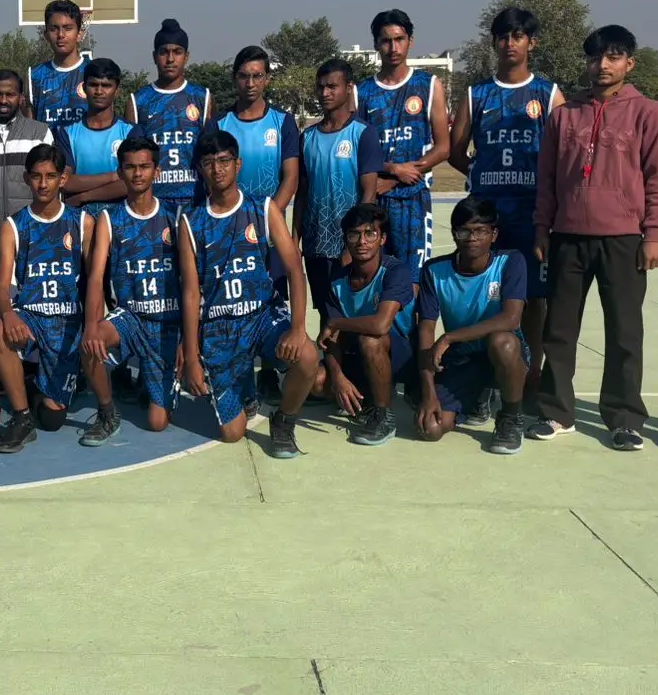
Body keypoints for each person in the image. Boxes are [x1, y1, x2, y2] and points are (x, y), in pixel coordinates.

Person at [531, 24, 658, 450]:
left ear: (630, 63)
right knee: (559, 330)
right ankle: (557, 412)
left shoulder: (649, 113)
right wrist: (542, 229)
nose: (602, 66)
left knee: (625, 332)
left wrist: (654, 232)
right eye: (595, 58)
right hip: (568, 236)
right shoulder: (564, 115)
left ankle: (624, 418)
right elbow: (547, 179)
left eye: (613, 57)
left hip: (624, 238)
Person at [179, 129, 319, 458]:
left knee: (308, 356)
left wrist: (298, 328)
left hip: (262, 316)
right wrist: (191, 357)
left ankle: (284, 420)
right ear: (200, 169)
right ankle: (244, 387)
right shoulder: (191, 222)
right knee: (232, 433)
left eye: (224, 161)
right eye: (209, 163)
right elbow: (190, 293)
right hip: (219, 327)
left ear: (238, 164)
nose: (217, 169)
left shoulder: (263, 208)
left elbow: (294, 270)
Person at [450, 6, 561, 394]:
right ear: (494, 42)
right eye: (503, 36)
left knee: (533, 297)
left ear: (532, 42)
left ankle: (531, 374)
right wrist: (481, 174)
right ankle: (486, 375)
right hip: (488, 214)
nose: (509, 43)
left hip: (532, 213)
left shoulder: (548, 94)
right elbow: (456, 150)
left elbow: (563, 153)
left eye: (517, 36)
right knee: (487, 293)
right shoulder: (477, 93)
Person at [79, 134, 182, 445]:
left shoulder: (176, 216)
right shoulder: (109, 218)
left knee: (157, 422)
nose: (138, 173)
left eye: (145, 166)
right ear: (120, 172)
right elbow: (95, 277)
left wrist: (187, 340)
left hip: (167, 324)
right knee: (91, 342)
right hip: (131, 317)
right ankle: (107, 412)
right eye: (130, 167)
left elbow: (192, 282)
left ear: (157, 171)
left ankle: (157, 382)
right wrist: (91, 326)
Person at [0, 143, 91, 453]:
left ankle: (41, 384)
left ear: (63, 178)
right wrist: (8, 314)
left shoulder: (82, 222)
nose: (43, 184)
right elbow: (2, 287)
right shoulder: (13, 225)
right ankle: (21, 416)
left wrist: (92, 324)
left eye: (50, 176)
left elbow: (95, 282)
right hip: (31, 318)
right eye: (36, 176)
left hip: (68, 324)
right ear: (26, 178)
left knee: (52, 419)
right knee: (0, 328)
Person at [414, 198, 528, 454]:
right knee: (430, 428)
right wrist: (428, 392)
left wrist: (449, 338)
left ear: (494, 234)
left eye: (480, 231)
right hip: (462, 358)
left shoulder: (510, 262)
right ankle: (477, 395)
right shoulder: (434, 270)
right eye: (464, 231)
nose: (472, 238)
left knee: (502, 342)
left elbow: (511, 318)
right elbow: (426, 329)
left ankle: (511, 417)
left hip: (505, 354)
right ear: (454, 234)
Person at [356, 9, 449, 270]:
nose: (393, 48)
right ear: (376, 44)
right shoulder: (362, 92)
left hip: (414, 199)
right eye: (386, 41)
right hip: (375, 197)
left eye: (399, 39)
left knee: (414, 279)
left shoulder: (428, 85)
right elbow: (357, 149)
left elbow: (443, 147)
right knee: (373, 276)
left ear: (410, 41)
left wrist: (400, 177)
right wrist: (392, 169)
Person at [318, 203, 415, 448]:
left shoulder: (395, 271)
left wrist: (335, 322)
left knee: (371, 340)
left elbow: (380, 325)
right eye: (354, 234)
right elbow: (331, 339)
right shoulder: (337, 280)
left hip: (397, 355)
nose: (362, 241)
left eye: (370, 234)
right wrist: (338, 377)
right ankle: (363, 397)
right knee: (317, 380)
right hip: (357, 354)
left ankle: (384, 416)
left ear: (382, 239)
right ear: (346, 239)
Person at [295, 58, 384, 309]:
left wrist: (352, 244)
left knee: (353, 314)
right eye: (321, 87)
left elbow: (369, 195)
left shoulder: (363, 133)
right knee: (326, 314)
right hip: (315, 246)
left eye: (332, 86)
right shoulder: (307, 137)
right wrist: (294, 240)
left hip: (351, 248)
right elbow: (302, 193)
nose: (325, 93)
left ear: (348, 88)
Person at [0, 68, 53, 279]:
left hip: (32, 239)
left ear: (21, 98)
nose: (3, 100)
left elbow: (51, 187)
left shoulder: (39, 133)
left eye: (10, 94)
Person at [128, 18, 210, 215]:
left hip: (195, 199)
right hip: (154, 202)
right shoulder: (138, 101)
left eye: (177, 52)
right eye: (164, 52)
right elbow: (131, 156)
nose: (170, 59)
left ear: (186, 56)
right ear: (154, 56)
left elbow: (210, 152)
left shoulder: (202, 97)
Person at [206, 46, 298, 210]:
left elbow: (291, 178)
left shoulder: (284, 121)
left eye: (257, 76)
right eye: (243, 76)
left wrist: (269, 218)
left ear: (267, 78)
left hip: (270, 221)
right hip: (230, 221)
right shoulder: (218, 124)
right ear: (234, 77)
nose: (250, 84)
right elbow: (209, 176)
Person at [54, 57, 134, 215]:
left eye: (106, 86)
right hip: (81, 217)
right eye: (93, 85)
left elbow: (130, 183)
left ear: (117, 90)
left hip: (121, 217)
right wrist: (114, 177)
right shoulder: (67, 132)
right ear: (84, 88)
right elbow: (65, 181)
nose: (99, 91)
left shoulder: (130, 131)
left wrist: (84, 196)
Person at [28, 0, 88, 127]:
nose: (61, 35)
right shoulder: (34, 76)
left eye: (68, 28)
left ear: (79, 34)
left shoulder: (93, 72)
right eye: (54, 29)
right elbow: (29, 129)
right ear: (46, 35)